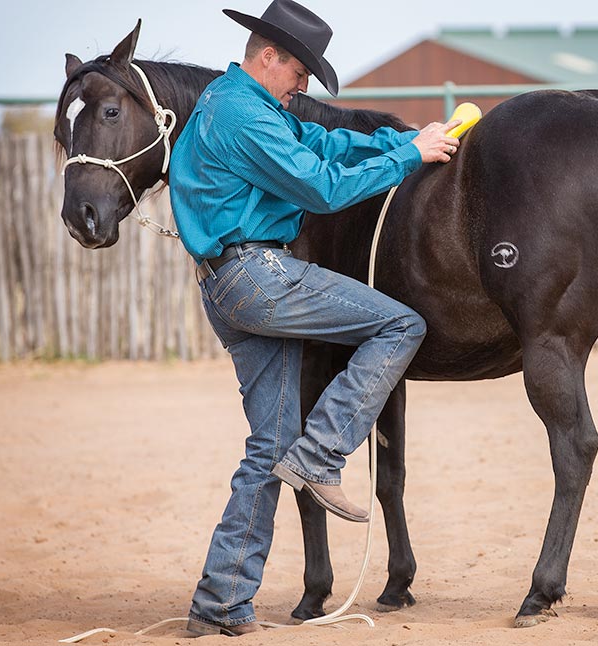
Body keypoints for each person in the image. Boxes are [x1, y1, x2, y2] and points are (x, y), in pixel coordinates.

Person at [167, 0, 461, 636]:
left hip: (229, 284)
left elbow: (324, 142)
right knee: (401, 326)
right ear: (269, 56)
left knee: (268, 449)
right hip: (258, 276)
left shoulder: (236, 103)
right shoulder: (243, 114)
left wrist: (404, 140)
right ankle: (323, 455)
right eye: (299, 72)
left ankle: (220, 605)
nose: (302, 86)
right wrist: (409, 161)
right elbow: (322, 187)